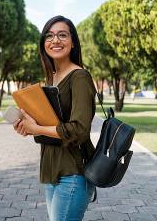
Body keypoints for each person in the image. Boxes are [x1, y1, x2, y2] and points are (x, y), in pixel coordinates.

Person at [13, 15, 96, 221]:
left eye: (62, 35)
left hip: (73, 173)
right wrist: (29, 126)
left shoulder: (79, 77)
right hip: (52, 172)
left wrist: (37, 129)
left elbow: (79, 129)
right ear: (43, 44)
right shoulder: (52, 78)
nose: (55, 40)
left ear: (73, 41)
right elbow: (52, 126)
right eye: (49, 36)